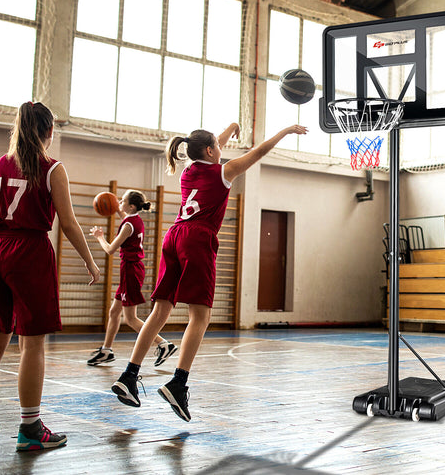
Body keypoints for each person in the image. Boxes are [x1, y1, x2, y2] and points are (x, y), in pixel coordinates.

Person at [111, 122, 308, 421]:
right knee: (200, 316)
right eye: (217, 145)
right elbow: (258, 152)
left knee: (160, 311)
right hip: (197, 239)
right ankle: (178, 384)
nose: (221, 147)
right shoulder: (224, 172)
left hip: (173, 236)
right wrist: (285, 131)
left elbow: (209, 145)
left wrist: (230, 127)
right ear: (210, 150)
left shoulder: (189, 169)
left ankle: (129, 375)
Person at [0, 101, 100, 451]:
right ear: (49, 131)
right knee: (32, 343)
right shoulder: (51, 168)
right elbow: (69, 223)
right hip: (28, 252)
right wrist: (91, 262)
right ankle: (31, 428)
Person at [87, 190, 177, 367]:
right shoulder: (134, 219)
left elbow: (110, 249)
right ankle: (106, 350)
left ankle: (164, 344)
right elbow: (125, 219)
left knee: (130, 318)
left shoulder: (128, 225)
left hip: (131, 272)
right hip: (130, 270)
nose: (119, 202)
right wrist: (116, 209)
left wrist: (100, 237)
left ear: (131, 206)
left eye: (122, 201)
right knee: (114, 312)